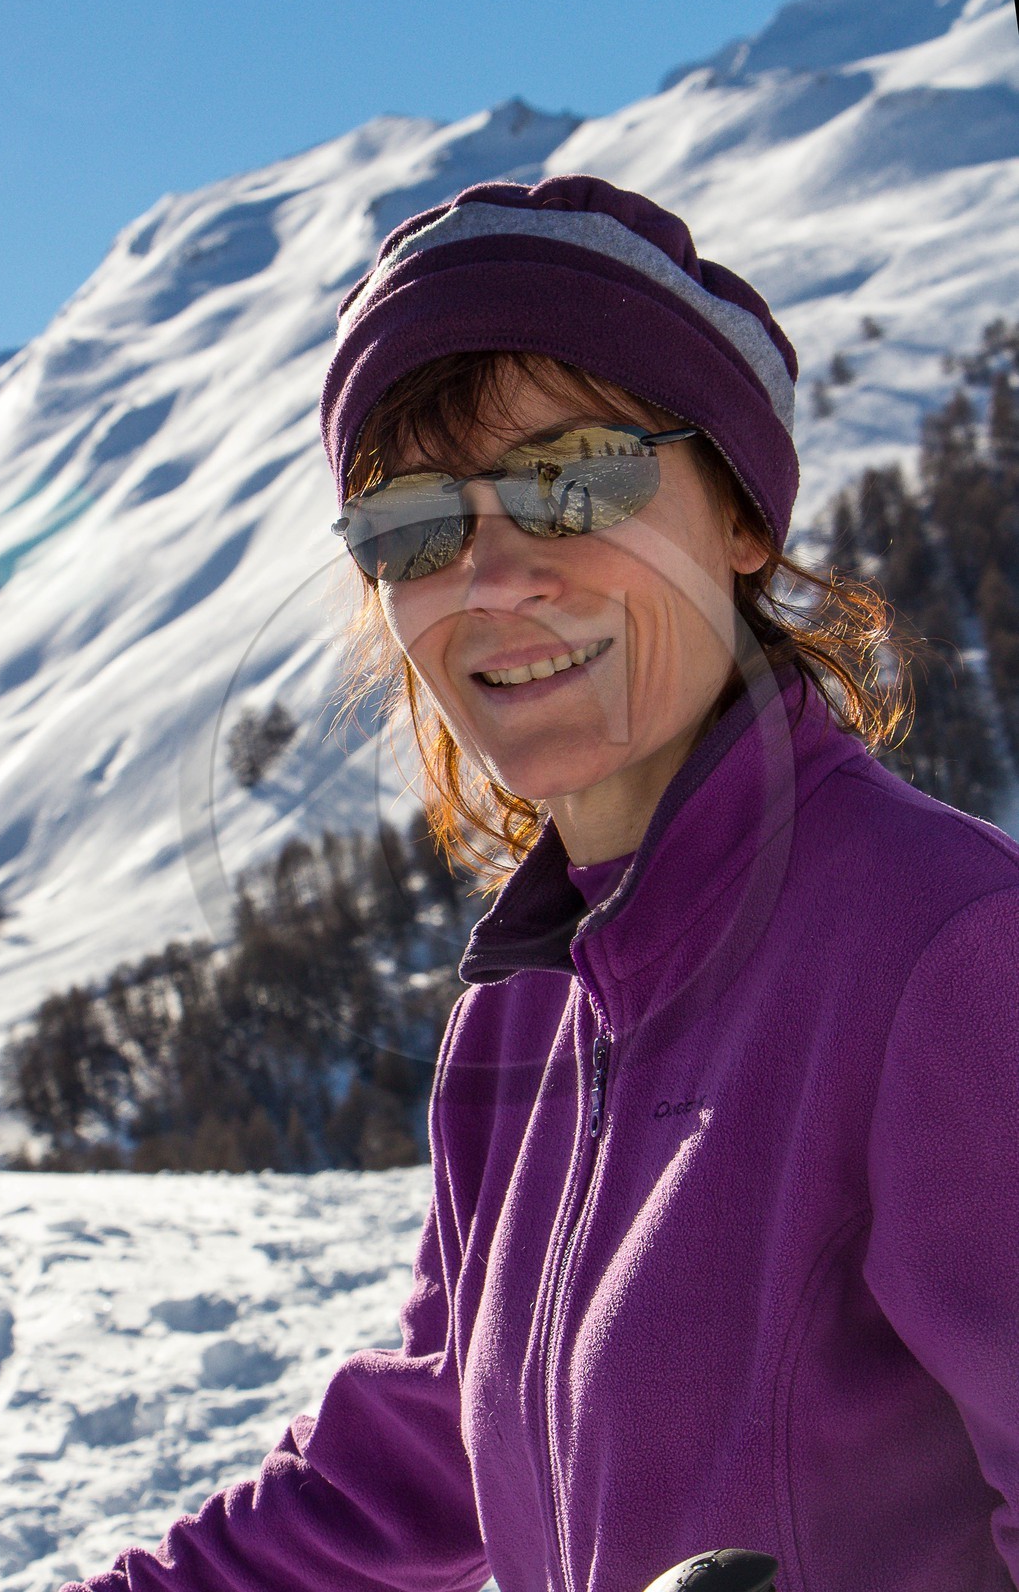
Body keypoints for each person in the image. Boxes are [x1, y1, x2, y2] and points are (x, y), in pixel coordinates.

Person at [62, 176, 1019, 1592]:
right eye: (410, 524)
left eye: (580, 477)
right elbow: (431, 1451)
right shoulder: (523, 1015)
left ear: (742, 517)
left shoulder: (948, 950)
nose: (496, 576)